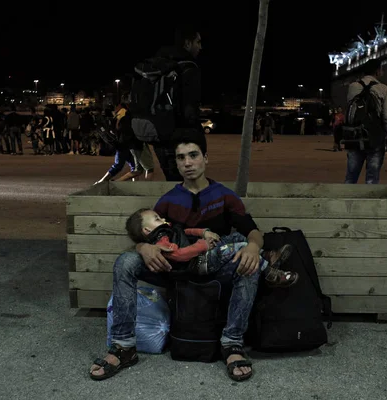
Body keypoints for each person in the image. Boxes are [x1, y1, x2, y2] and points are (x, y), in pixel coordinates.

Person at [89, 134, 265, 382]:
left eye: (193, 155)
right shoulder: (169, 200)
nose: (187, 163)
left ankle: (232, 344)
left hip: (212, 268)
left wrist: (254, 247)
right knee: (125, 262)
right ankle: (124, 346)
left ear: (205, 159)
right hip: (173, 268)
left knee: (249, 264)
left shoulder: (223, 195)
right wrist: (143, 248)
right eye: (181, 158)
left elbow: (252, 230)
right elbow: (147, 231)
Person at [125, 208, 297, 285]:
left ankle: (267, 256)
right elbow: (178, 255)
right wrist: (202, 245)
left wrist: (203, 232)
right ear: (147, 230)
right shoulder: (161, 240)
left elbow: (185, 232)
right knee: (241, 246)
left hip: (204, 254)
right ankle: (271, 274)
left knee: (236, 237)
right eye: (157, 219)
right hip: (199, 264)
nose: (162, 220)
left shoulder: (168, 230)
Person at [151, 25, 203, 181]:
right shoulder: (188, 68)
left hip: (159, 135)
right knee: (187, 184)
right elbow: (189, 110)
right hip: (180, 136)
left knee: (173, 181)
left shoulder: (159, 66)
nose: (200, 47)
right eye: (198, 42)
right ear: (187, 44)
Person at [344, 58, 387, 184]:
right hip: (375, 138)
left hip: (354, 136)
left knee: (350, 178)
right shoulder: (384, 89)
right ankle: (370, 203)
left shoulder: (353, 87)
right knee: (372, 180)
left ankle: (346, 202)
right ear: (378, 71)